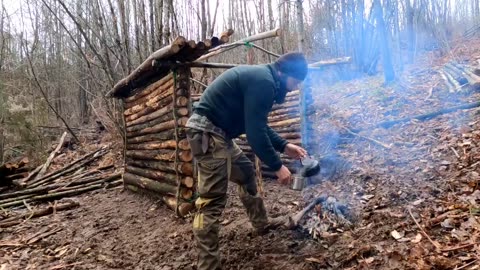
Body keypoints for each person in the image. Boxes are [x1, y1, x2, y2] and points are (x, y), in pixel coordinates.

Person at [186, 52, 309, 270]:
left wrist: (284, 146)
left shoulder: (265, 79)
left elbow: (257, 124)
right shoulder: (264, 82)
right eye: (295, 82)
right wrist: (277, 166)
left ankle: (261, 223)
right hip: (207, 134)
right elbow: (254, 134)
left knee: (245, 173)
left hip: (219, 134)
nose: (294, 88)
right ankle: (208, 265)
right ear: (284, 73)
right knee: (211, 201)